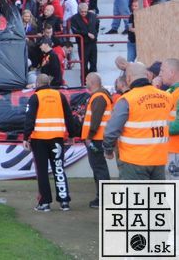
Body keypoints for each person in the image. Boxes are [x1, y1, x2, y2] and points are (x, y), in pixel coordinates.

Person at [103, 62, 175, 180]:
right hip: (159, 160)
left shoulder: (127, 100)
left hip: (134, 162)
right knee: (156, 198)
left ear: (128, 78)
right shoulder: (167, 97)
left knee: (136, 198)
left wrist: (108, 150)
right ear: (148, 75)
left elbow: (112, 130)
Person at [23, 73, 76, 212]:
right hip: (57, 138)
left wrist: (25, 137)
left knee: (42, 172)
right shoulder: (60, 96)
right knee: (58, 169)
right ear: (49, 82)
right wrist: (71, 134)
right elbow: (69, 116)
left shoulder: (35, 97)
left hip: (39, 140)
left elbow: (29, 119)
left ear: (37, 83)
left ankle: (44, 203)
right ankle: (64, 202)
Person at [82, 72, 112, 208]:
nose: (85, 82)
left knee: (99, 169)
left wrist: (89, 137)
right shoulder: (100, 96)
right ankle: (102, 198)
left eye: (87, 80)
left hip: (96, 139)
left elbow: (95, 120)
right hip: (97, 138)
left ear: (92, 82)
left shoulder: (99, 97)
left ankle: (103, 199)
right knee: (99, 169)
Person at [69, 3, 99, 74]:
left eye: (85, 11)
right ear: (79, 11)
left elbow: (97, 24)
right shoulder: (74, 18)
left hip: (92, 42)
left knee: (93, 62)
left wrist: (95, 34)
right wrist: (87, 34)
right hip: (83, 43)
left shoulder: (92, 16)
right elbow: (75, 30)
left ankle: (93, 79)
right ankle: (84, 81)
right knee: (84, 64)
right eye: (82, 12)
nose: (84, 13)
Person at [163, 59, 179, 179]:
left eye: (162, 71)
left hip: (176, 151)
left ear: (172, 72)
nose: (160, 74)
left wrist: (158, 129)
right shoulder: (170, 92)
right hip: (170, 150)